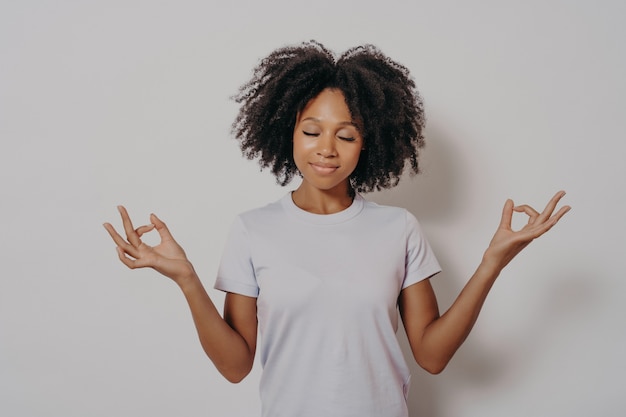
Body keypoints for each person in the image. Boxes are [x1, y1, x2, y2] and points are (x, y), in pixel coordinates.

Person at [103, 41, 570, 417]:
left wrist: (492, 263)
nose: (327, 149)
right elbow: (235, 366)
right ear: (287, 132)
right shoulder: (253, 230)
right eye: (312, 131)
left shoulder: (398, 229)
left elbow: (432, 355)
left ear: (369, 145)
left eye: (346, 135)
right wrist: (187, 280)